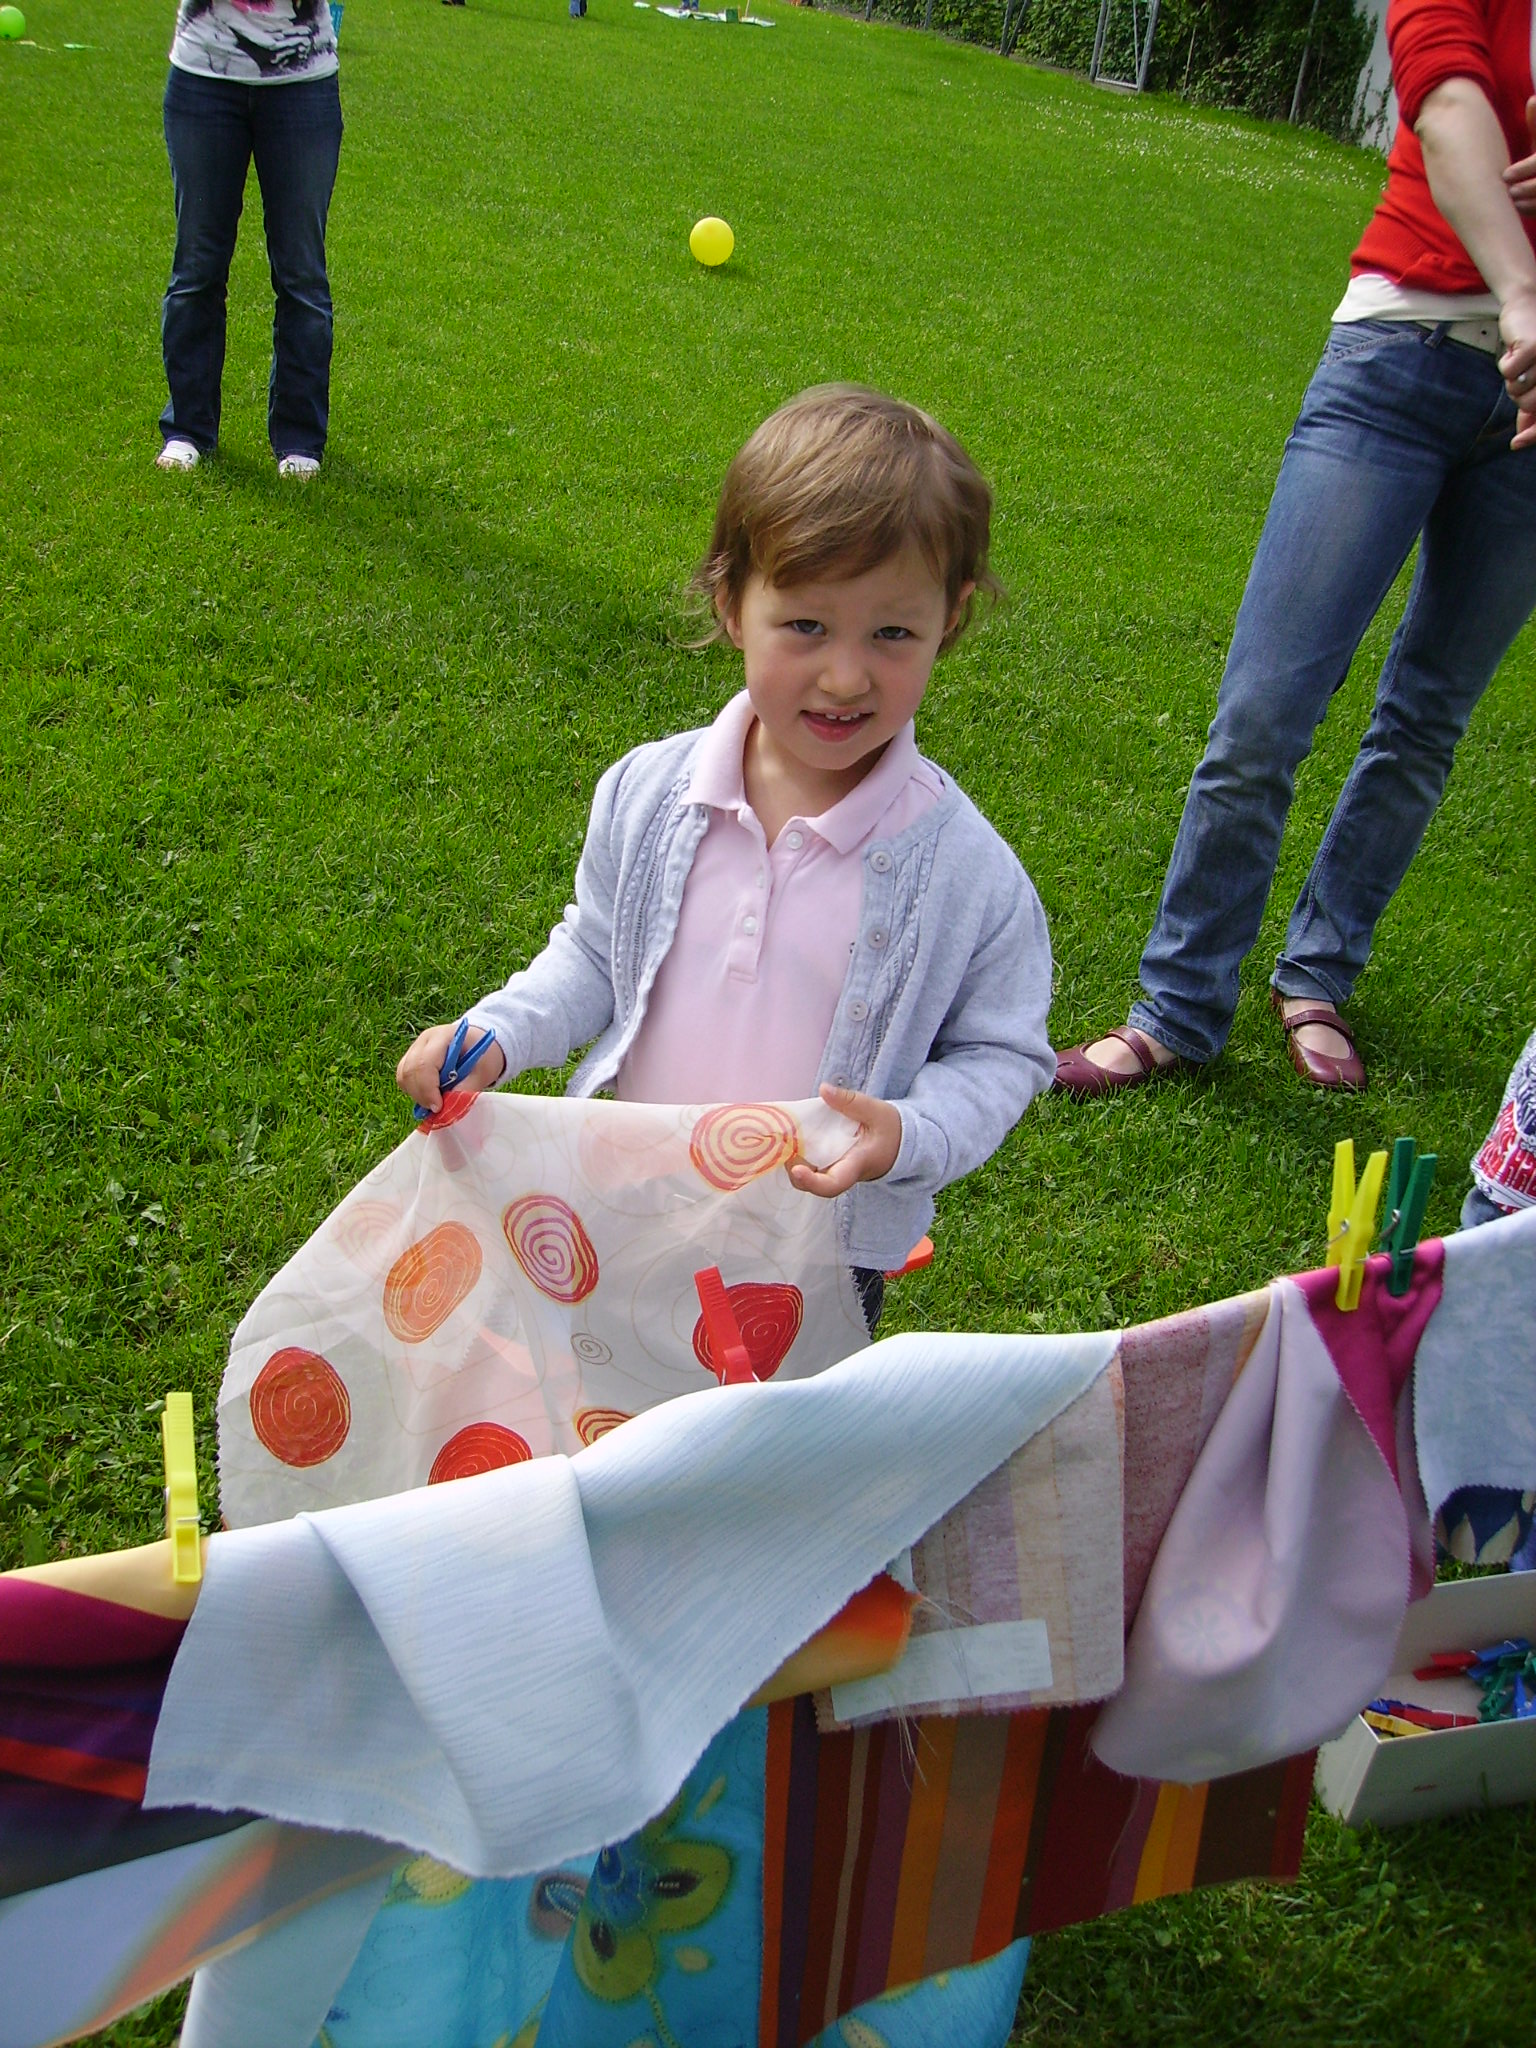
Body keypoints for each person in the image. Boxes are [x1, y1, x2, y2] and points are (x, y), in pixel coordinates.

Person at [397, 384, 1056, 1316]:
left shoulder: (966, 873)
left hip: (813, 1256)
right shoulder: (650, 794)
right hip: (630, 1203)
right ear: (732, 602)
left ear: (949, 620)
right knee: (611, 1392)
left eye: (892, 633)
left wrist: (912, 1133)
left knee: (772, 1421)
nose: (845, 675)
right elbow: (595, 953)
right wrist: (500, 1035)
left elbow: (1002, 1053)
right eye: (806, 626)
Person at [1057, 0, 1536, 1098]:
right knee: (1263, 714)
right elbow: (1446, 97)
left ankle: (1318, 972)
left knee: (1426, 720)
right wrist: (1522, 292)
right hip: (1400, 353)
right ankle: (1177, 1008)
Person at [155, 0, 342, 477]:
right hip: (203, 77)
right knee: (197, 268)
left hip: (303, 82)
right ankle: (188, 429)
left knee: (302, 275)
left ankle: (299, 439)